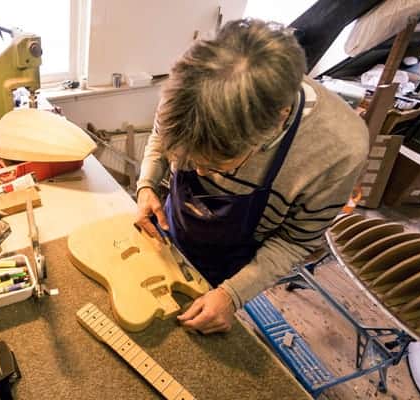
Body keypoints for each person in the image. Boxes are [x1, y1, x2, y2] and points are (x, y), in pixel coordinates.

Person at [135, 19, 369, 334]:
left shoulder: (339, 150)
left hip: (237, 259)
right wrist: (147, 184)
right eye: (188, 158)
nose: (197, 172)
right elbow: (160, 140)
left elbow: (294, 242)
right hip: (174, 231)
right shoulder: (189, 88)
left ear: (277, 120)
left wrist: (233, 294)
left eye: (217, 165)